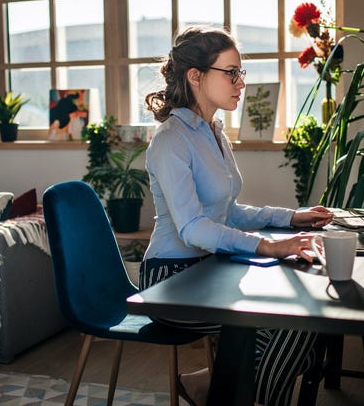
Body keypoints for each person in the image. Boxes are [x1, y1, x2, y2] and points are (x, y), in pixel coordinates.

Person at [140, 25, 333, 406]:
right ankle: (224, 390)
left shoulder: (214, 132)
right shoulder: (170, 140)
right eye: (231, 72)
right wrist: (267, 247)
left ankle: (215, 388)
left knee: (305, 326)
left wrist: (291, 218)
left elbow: (228, 211)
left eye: (240, 72)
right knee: (290, 330)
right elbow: (194, 228)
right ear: (195, 76)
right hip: (170, 277)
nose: (240, 83)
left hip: (209, 267)